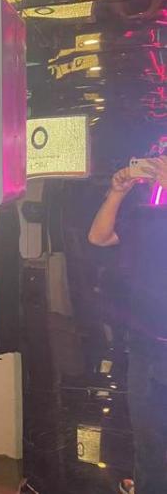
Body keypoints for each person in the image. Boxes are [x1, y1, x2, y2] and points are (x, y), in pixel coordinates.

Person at [89, 155, 167, 494]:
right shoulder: (144, 213)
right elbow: (99, 236)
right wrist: (117, 192)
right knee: (148, 442)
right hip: (144, 342)